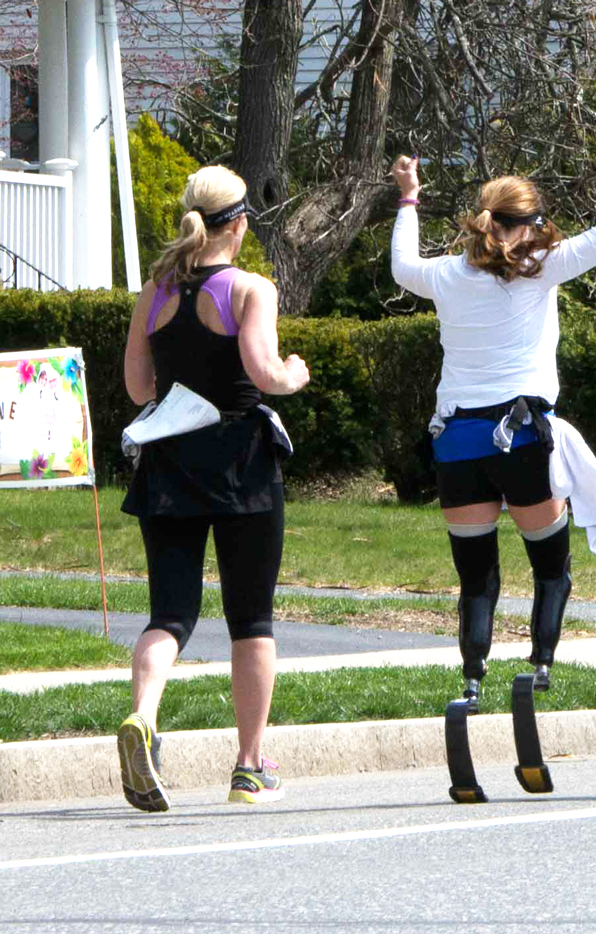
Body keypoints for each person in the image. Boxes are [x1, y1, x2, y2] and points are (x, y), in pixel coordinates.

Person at [390, 113, 596, 709]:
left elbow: (402, 267)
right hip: (524, 437)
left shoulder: (445, 276)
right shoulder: (542, 269)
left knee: (476, 577)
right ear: (531, 224)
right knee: (551, 566)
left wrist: (408, 197)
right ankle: (538, 669)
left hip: (457, 441)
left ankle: (473, 680)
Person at [118, 165, 310, 811]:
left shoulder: (157, 290)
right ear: (241, 224)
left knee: (170, 613)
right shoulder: (252, 288)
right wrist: (293, 372)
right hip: (242, 467)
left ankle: (144, 716)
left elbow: (140, 390)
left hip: (169, 460)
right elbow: (262, 371)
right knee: (250, 618)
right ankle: (250, 769)